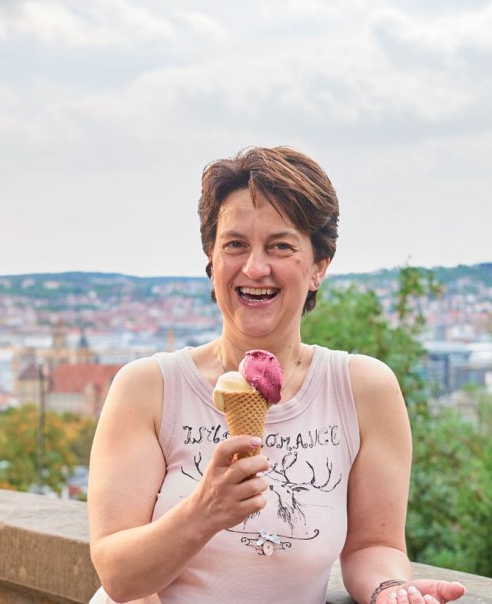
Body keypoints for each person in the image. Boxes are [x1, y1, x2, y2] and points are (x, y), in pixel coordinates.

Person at [87, 147, 468, 604]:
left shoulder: (364, 390)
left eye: (280, 246)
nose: (255, 268)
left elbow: (374, 545)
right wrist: (202, 512)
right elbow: (118, 576)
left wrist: (390, 590)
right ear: (211, 260)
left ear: (318, 267)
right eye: (235, 245)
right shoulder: (147, 388)